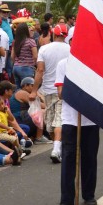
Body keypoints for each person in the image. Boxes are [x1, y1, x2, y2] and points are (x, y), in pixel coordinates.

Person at [53, 59, 101, 205]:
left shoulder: (96, 63)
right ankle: (66, 200)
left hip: (91, 119)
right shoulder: (63, 64)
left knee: (89, 158)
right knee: (68, 158)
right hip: (70, 120)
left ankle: (89, 195)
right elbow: (60, 94)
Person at [34, 24, 71, 159]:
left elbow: (40, 70)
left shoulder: (44, 49)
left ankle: (56, 150)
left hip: (49, 89)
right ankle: (58, 146)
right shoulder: (71, 49)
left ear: (53, 34)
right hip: (63, 88)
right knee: (52, 123)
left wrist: (34, 90)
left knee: (56, 121)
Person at [10, 22, 39, 86]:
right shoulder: (31, 41)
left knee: (18, 89)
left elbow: (12, 56)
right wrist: (36, 66)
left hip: (16, 68)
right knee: (27, 89)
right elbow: (35, 56)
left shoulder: (15, 42)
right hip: (27, 68)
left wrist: (18, 63)